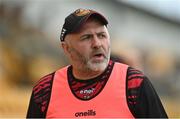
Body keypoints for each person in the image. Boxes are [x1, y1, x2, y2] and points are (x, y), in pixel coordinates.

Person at [26, 8, 168, 118]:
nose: (97, 44)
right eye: (86, 37)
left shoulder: (134, 83)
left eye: (102, 35)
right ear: (66, 48)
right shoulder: (44, 90)